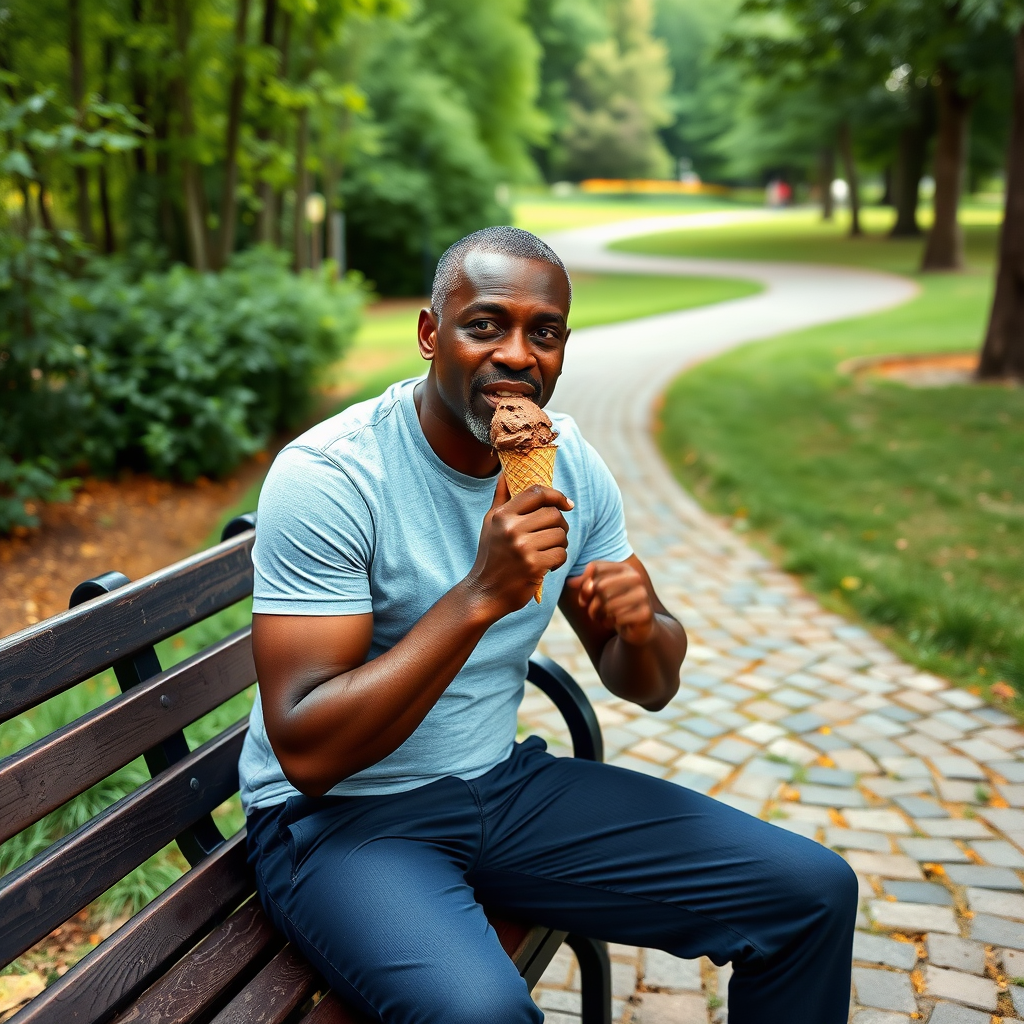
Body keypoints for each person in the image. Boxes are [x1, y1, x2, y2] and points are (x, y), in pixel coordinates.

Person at [241, 226, 857, 1024]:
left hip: (499, 787)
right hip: (340, 825)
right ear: (432, 335)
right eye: (486, 325)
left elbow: (648, 686)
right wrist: (479, 596)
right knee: (483, 1016)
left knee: (810, 892)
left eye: (546, 332)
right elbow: (309, 750)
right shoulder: (333, 476)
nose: (518, 355)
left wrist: (643, 629)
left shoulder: (568, 460)